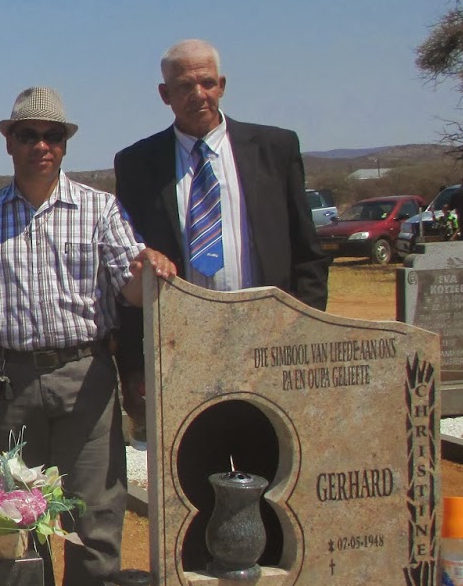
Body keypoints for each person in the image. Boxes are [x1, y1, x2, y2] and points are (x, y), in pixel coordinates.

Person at [0, 86, 175, 586]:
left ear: (64, 145)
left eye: (53, 135)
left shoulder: (100, 209)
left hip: (84, 374)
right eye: (29, 135)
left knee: (94, 514)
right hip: (8, 379)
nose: (41, 145)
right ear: (9, 142)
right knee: (15, 517)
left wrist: (146, 271)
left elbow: (129, 293)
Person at [113, 40, 328, 422]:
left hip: (269, 338)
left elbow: (306, 252)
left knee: (270, 448)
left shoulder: (274, 148)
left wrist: (304, 334)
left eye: (207, 83)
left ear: (222, 85)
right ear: (165, 94)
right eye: (185, 86)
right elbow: (130, 266)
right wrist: (133, 365)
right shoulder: (137, 164)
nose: (199, 95)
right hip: (182, 345)